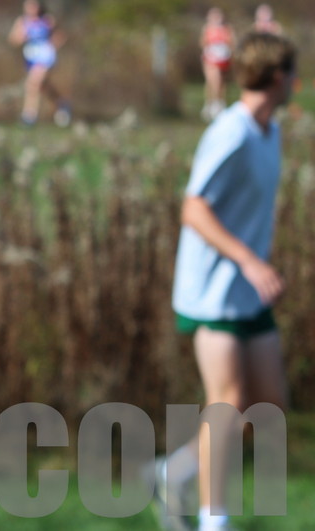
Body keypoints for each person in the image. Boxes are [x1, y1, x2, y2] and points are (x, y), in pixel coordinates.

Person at [156, 31, 295, 531]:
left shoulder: (269, 131)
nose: (297, 82)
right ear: (278, 78)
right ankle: (214, 521)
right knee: (228, 404)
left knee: (267, 409)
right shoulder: (230, 133)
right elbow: (194, 208)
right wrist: (251, 261)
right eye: (293, 73)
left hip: (247, 292)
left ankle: (172, 473)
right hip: (213, 291)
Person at [8, 0, 71, 127]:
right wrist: (21, 37)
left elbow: (61, 35)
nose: (31, 9)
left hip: (46, 57)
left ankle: (29, 116)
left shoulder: (47, 20)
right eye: (28, 6)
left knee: (32, 83)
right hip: (31, 58)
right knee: (42, 86)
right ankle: (61, 103)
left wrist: (53, 44)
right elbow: (13, 39)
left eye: (33, 6)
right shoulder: (22, 22)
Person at [199, 7, 235, 122]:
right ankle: (211, 104)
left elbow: (231, 43)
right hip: (211, 59)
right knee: (212, 81)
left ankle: (220, 103)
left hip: (223, 59)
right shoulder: (207, 29)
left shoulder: (226, 29)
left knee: (222, 82)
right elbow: (203, 43)